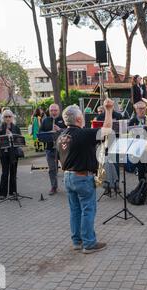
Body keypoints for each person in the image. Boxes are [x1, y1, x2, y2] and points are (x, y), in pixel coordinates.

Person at [57, 100, 114, 254]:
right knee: (88, 210)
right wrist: (109, 110)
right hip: (82, 177)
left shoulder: (61, 136)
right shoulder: (83, 134)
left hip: (68, 177)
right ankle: (89, 243)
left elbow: (58, 159)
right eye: (82, 116)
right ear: (79, 119)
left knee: (75, 210)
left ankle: (77, 241)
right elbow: (107, 130)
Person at [128, 101, 147, 197]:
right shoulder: (132, 121)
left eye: (143, 108)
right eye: (140, 108)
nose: (142, 110)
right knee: (141, 169)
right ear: (136, 110)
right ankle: (142, 187)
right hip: (138, 148)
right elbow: (129, 135)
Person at [0, 110, 22, 200]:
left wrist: (12, 136)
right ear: (3, 118)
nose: (8, 118)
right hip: (4, 153)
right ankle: (2, 193)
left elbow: (20, 140)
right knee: (5, 173)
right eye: (6, 117)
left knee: (13, 173)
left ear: (12, 117)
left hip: (14, 153)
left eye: (9, 116)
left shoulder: (16, 127)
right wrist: (4, 136)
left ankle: (12, 192)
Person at [39, 104, 67, 195]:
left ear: (59, 111)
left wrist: (60, 129)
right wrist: (48, 133)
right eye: (51, 111)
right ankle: (54, 187)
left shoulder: (63, 120)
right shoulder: (46, 120)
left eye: (55, 110)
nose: (53, 112)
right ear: (49, 111)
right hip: (50, 148)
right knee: (52, 169)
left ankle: (69, 186)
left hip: (62, 148)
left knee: (67, 168)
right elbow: (40, 133)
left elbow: (69, 131)